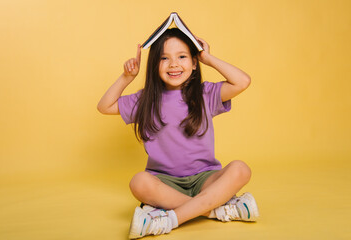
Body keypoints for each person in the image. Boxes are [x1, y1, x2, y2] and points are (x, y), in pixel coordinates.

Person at [97, 28, 259, 239]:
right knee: (138, 182)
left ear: (194, 63)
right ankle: (216, 209)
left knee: (241, 169)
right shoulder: (145, 100)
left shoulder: (205, 94)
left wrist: (208, 58)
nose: (174, 64)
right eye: (164, 58)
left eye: (182, 57)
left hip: (205, 179)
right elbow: (104, 106)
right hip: (165, 183)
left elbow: (242, 81)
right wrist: (126, 77)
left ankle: (168, 220)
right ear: (154, 66)